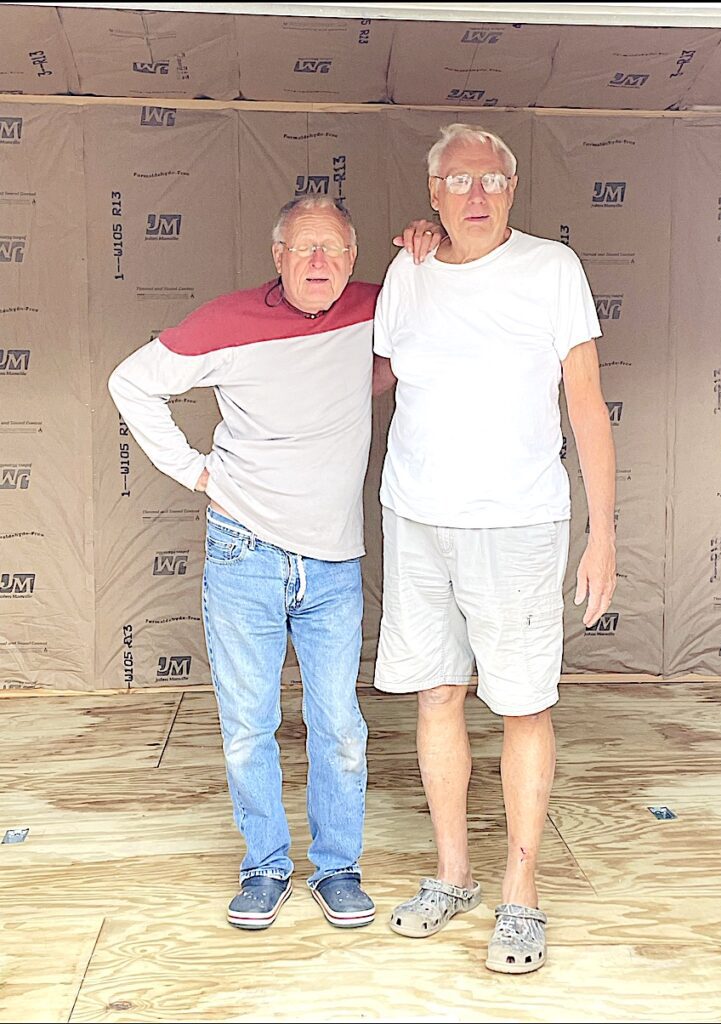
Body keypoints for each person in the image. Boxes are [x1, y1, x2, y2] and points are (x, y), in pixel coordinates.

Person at [108, 196, 439, 932]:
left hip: (332, 563)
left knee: (340, 725)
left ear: (354, 260)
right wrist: (195, 472)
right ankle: (263, 867)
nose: (320, 264)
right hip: (243, 552)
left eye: (334, 251)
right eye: (305, 250)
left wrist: (429, 239)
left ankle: (339, 869)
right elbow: (131, 382)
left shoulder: (376, 308)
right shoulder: (227, 323)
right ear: (278, 256)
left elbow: (437, 302)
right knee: (247, 726)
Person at [372, 124, 617, 974]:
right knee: (437, 694)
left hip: (517, 524)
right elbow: (376, 375)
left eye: (492, 181)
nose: (477, 196)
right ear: (432, 193)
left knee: (522, 703)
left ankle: (522, 893)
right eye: (459, 181)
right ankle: (453, 876)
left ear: (513, 191)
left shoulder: (553, 271)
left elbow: (586, 403)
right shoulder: (408, 272)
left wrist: (603, 532)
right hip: (415, 518)